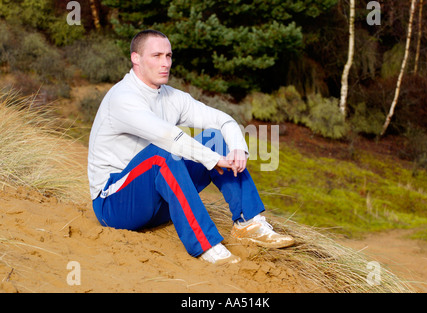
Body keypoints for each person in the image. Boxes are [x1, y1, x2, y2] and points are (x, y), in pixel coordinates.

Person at [87, 29, 294, 265]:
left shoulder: (172, 97)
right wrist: (213, 160)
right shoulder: (122, 98)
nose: (165, 63)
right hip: (114, 205)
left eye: (169, 56)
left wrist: (237, 148)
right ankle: (206, 245)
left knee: (216, 137)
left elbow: (222, 120)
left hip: (155, 206)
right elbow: (169, 137)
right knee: (161, 154)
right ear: (136, 58)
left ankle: (249, 222)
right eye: (156, 56)